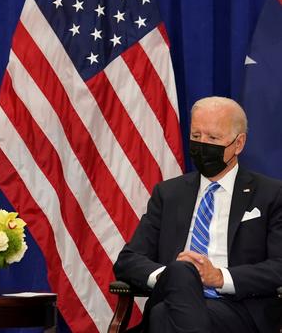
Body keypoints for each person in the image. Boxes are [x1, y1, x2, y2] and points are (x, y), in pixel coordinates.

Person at [114, 96, 282, 333]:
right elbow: (128, 260)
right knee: (181, 273)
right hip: (173, 295)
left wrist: (219, 277)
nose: (202, 145)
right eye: (196, 136)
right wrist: (175, 278)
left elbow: (279, 266)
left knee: (163, 316)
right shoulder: (169, 193)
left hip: (237, 309)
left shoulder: (271, 194)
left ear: (238, 143)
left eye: (213, 138)